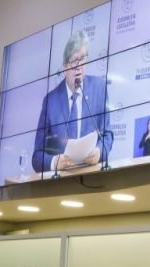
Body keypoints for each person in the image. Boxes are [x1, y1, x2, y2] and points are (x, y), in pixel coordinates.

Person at [31, 30, 112, 173]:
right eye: (74, 61)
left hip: (93, 175)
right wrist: (54, 162)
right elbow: (37, 157)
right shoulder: (51, 101)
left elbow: (107, 135)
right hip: (62, 180)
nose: (79, 66)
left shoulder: (99, 88)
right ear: (65, 66)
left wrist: (99, 152)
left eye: (83, 59)